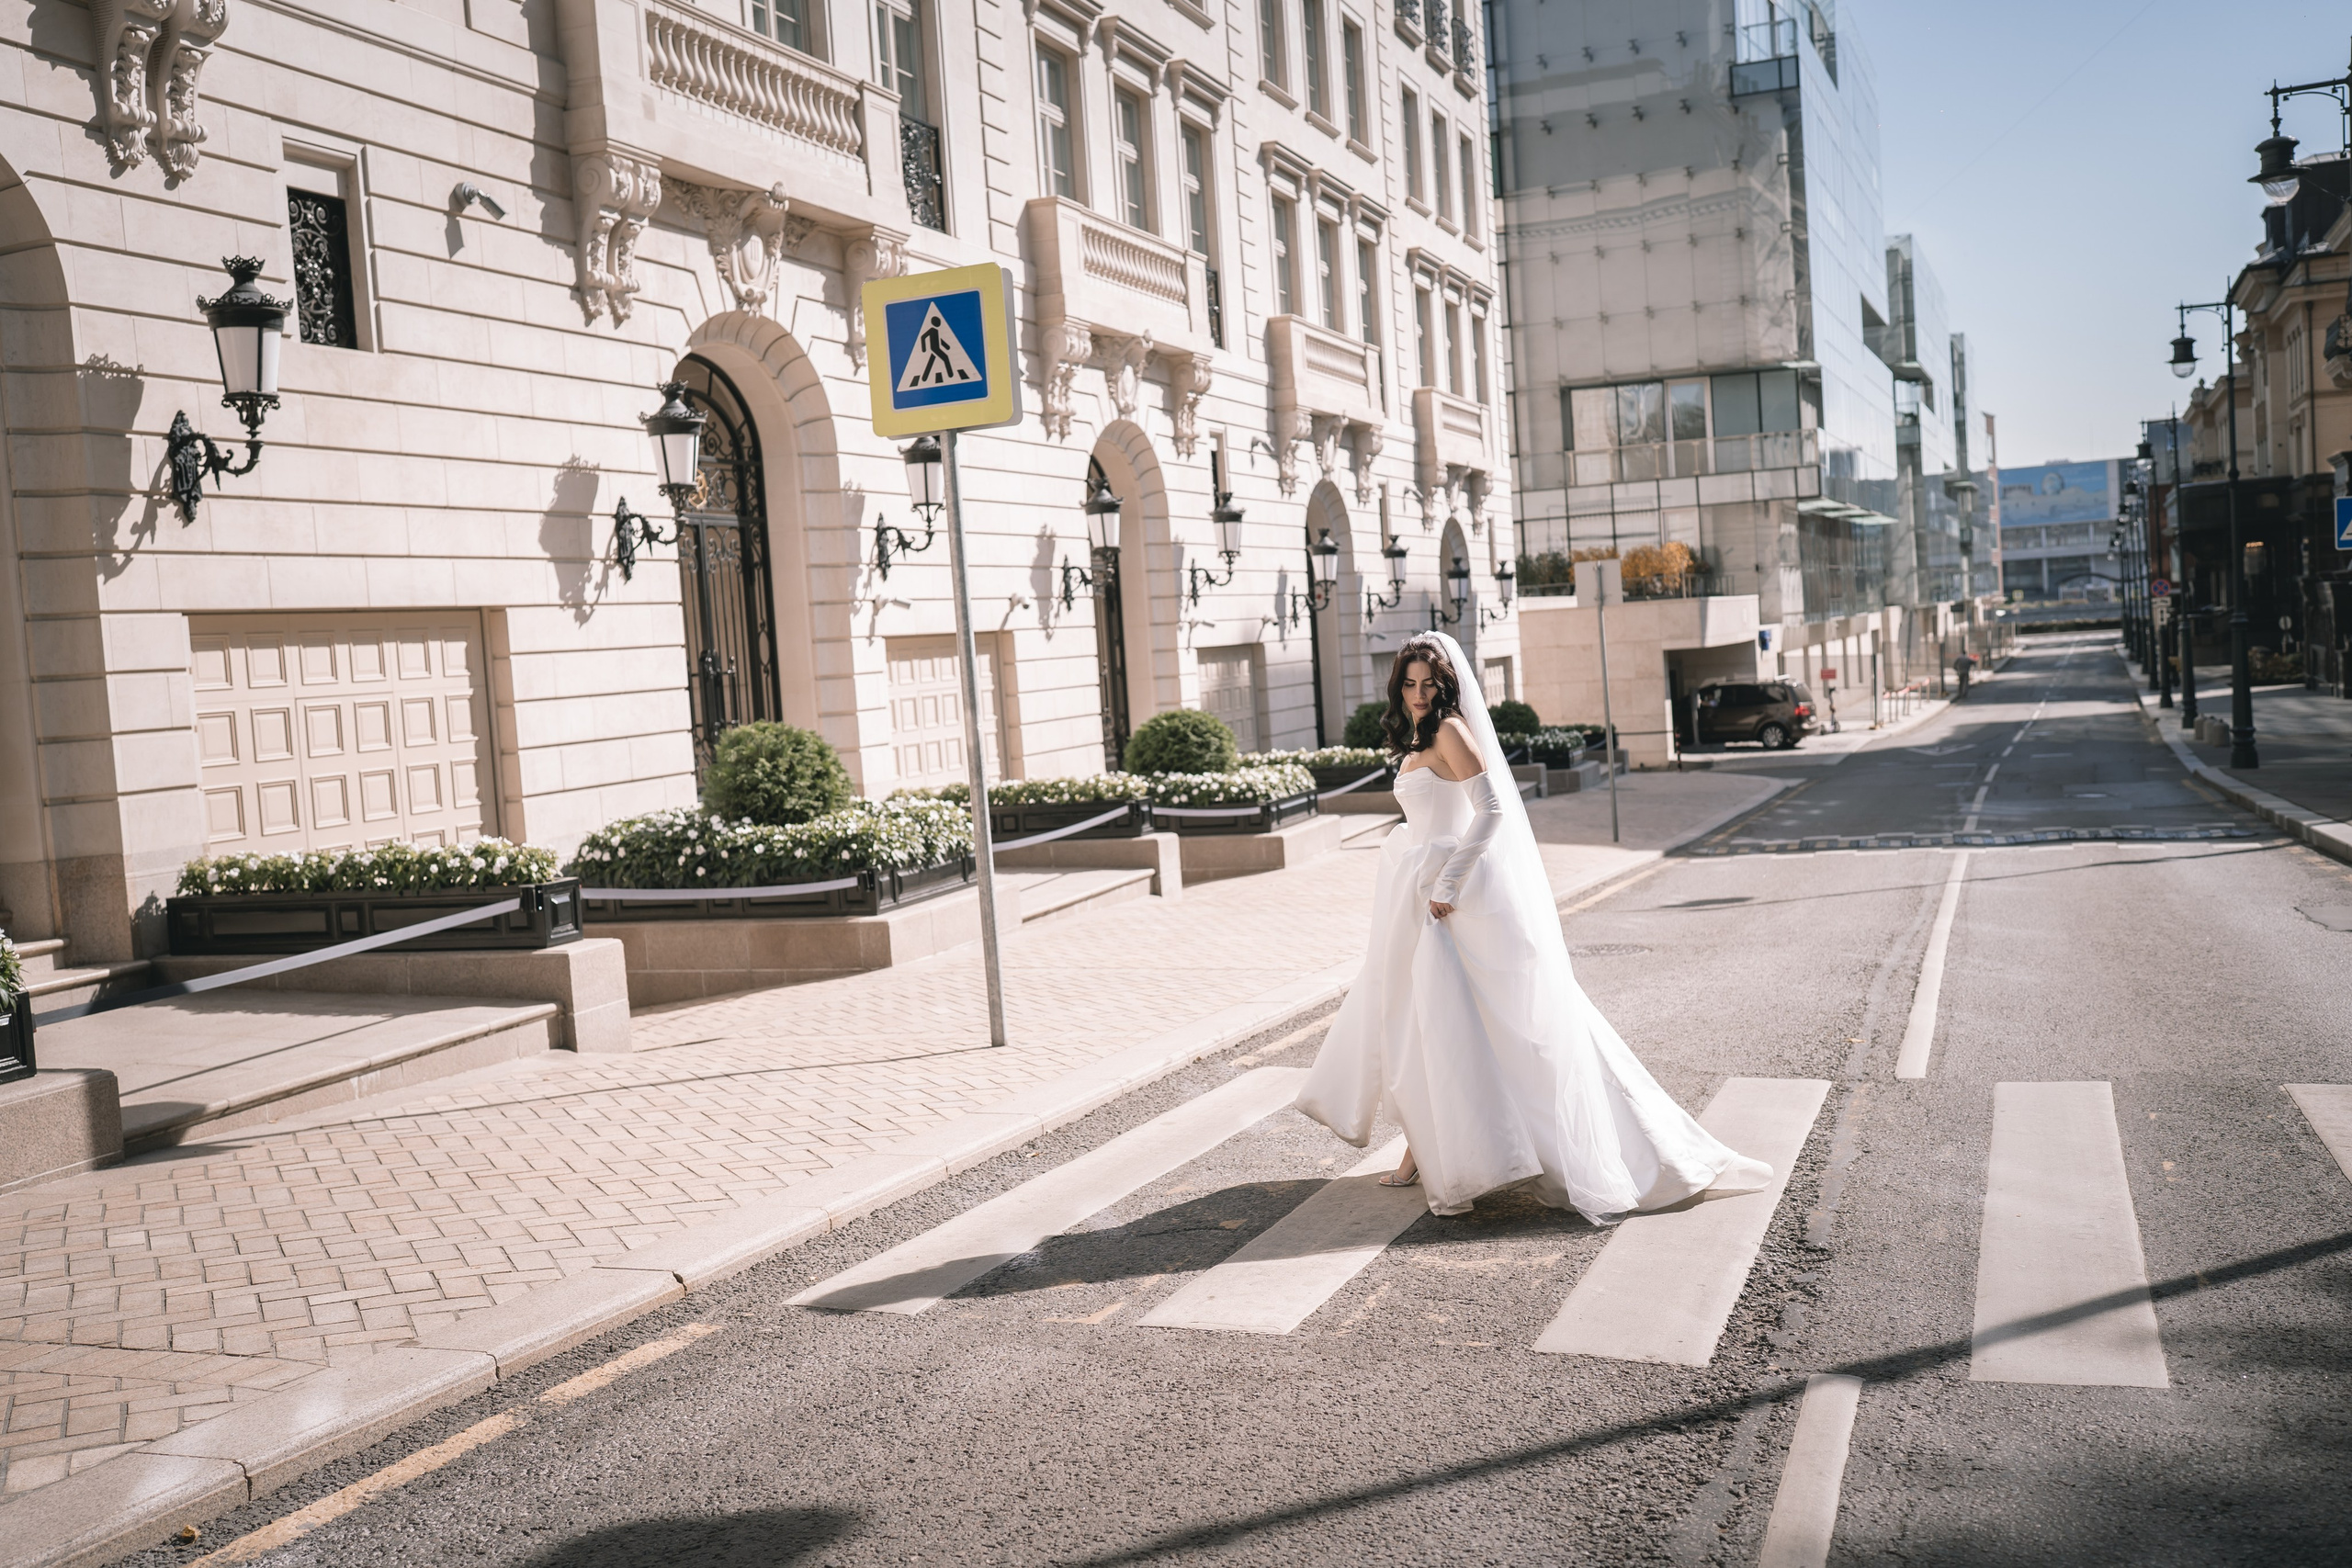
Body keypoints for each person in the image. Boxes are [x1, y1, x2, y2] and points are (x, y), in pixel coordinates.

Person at [1294, 632, 1773, 1221]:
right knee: (1419, 1022)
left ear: (1447, 686)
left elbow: (1491, 810)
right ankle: (1423, 1148)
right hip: (1413, 893)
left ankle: (1517, 1154)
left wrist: (1448, 886)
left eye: (1428, 684)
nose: (1418, 694)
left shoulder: (1450, 730)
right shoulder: (1420, 734)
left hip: (1453, 899)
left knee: (1479, 1026)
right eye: (1409, 684)